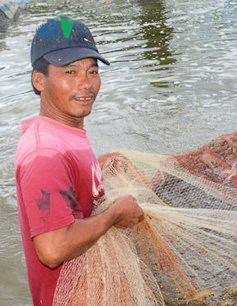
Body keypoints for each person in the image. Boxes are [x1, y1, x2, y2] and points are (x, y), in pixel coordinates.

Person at [15, 16, 144, 305]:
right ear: (40, 80)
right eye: (70, 72)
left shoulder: (60, 132)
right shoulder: (44, 154)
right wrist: (113, 215)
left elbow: (64, 190)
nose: (86, 84)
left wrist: (95, 168)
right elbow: (52, 248)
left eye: (92, 71)